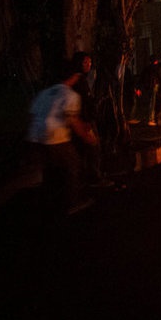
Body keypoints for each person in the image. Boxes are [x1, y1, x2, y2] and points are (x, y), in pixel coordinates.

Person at [26, 58, 100, 215]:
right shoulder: (70, 95)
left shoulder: (44, 93)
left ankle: (47, 202)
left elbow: (32, 116)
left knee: (48, 169)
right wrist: (87, 137)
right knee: (73, 164)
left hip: (35, 137)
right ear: (73, 77)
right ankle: (73, 202)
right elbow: (73, 121)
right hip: (54, 138)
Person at [70, 51, 111, 188]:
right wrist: (88, 118)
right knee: (94, 147)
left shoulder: (83, 78)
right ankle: (94, 177)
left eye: (90, 62)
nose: (88, 64)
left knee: (86, 149)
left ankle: (85, 177)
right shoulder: (78, 79)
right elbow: (83, 101)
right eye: (85, 62)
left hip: (83, 119)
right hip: (85, 120)